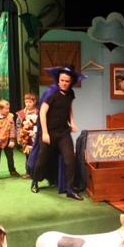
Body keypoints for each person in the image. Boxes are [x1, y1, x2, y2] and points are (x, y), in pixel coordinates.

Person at [29, 65, 86, 200]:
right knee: (42, 159)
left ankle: (70, 189)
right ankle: (35, 181)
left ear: (71, 82)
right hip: (49, 132)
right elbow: (42, 112)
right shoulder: (51, 93)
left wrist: (72, 122)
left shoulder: (70, 93)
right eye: (62, 80)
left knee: (70, 160)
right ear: (58, 80)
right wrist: (45, 133)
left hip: (63, 133)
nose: (64, 83)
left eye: (67, 81)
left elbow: (69, 108)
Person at [0, 99, 20, 180]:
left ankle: (12, 171)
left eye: (8, 108)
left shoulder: (10, 116)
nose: (8, 110)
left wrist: (12, 140)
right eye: (6, 109)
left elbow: (12, 128)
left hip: (7, 139)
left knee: (10, 156)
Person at [16, 93, 38, 178]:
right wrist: (19, 136)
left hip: (36, 137)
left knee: (37, 155)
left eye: (30, 102)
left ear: (34, 102)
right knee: (28, 155)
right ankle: (28, 172)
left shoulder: (39, 112)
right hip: (26, 138)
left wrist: (36, 132)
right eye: (26, 102)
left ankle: (37, 173)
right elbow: (18, 126)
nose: (28, 104)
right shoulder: (21, 113)